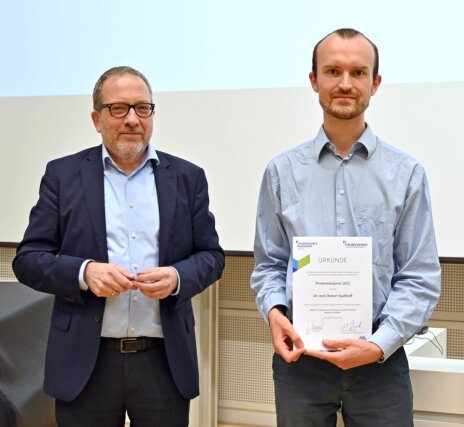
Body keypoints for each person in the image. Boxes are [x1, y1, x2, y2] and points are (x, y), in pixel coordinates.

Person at [12, 66, 225, 427]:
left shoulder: (188, 178)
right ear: (96, 119)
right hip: (86, 361)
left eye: (143, 108)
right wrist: (84, 273)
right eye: (118, 109)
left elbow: (211, 256)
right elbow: (29, 259)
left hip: (162, 362)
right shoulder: (63, 175)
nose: (132, 119)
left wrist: (176, 277)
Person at [250, 28, 441, 426]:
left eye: (358, 72)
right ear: (314, 80)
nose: (345, 83)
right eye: (333, 71)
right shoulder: (281, 172)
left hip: (380, 364)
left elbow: (419, 277)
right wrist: (274, 312)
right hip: (300, 361)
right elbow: (269, 265)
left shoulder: (406, 174)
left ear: (375, 83)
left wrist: (378, 344)